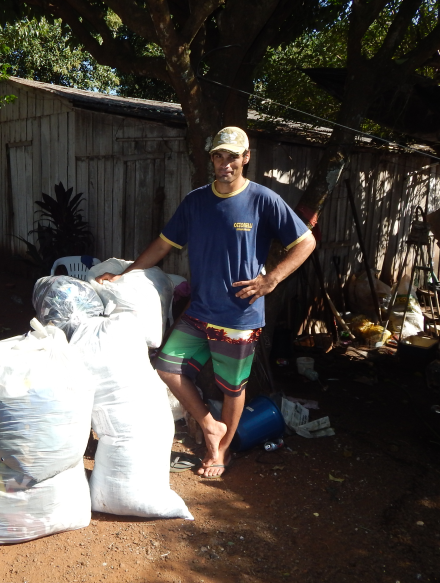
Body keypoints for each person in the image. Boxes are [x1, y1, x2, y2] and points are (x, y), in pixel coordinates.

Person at [96, 127, 315, 478]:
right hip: (199, 310)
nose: (225, 163)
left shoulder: (263, 200)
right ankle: (211, 427)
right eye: (218, 156)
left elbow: (305, 243)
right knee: (167, 366)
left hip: (238, 316)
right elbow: (164, 244)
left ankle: (221, 453)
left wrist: (271, 279)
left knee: (233, 388)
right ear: (211, 158)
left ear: (245, 158)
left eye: (232, 156)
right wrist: (126, 273)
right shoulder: (196, 202)